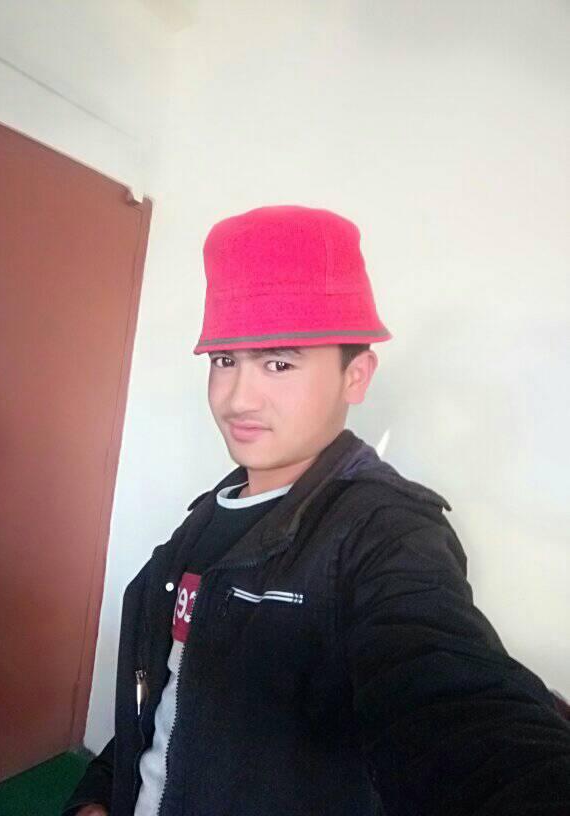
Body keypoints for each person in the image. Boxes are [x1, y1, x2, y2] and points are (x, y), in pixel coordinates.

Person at [63, 205, 570, 816]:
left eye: (279, 363)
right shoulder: (209, 515)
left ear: (356, 375)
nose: (237, 398)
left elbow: (453, 698)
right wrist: (101, 792)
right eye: (224, 360)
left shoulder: (386, 534)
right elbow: (168, 690)